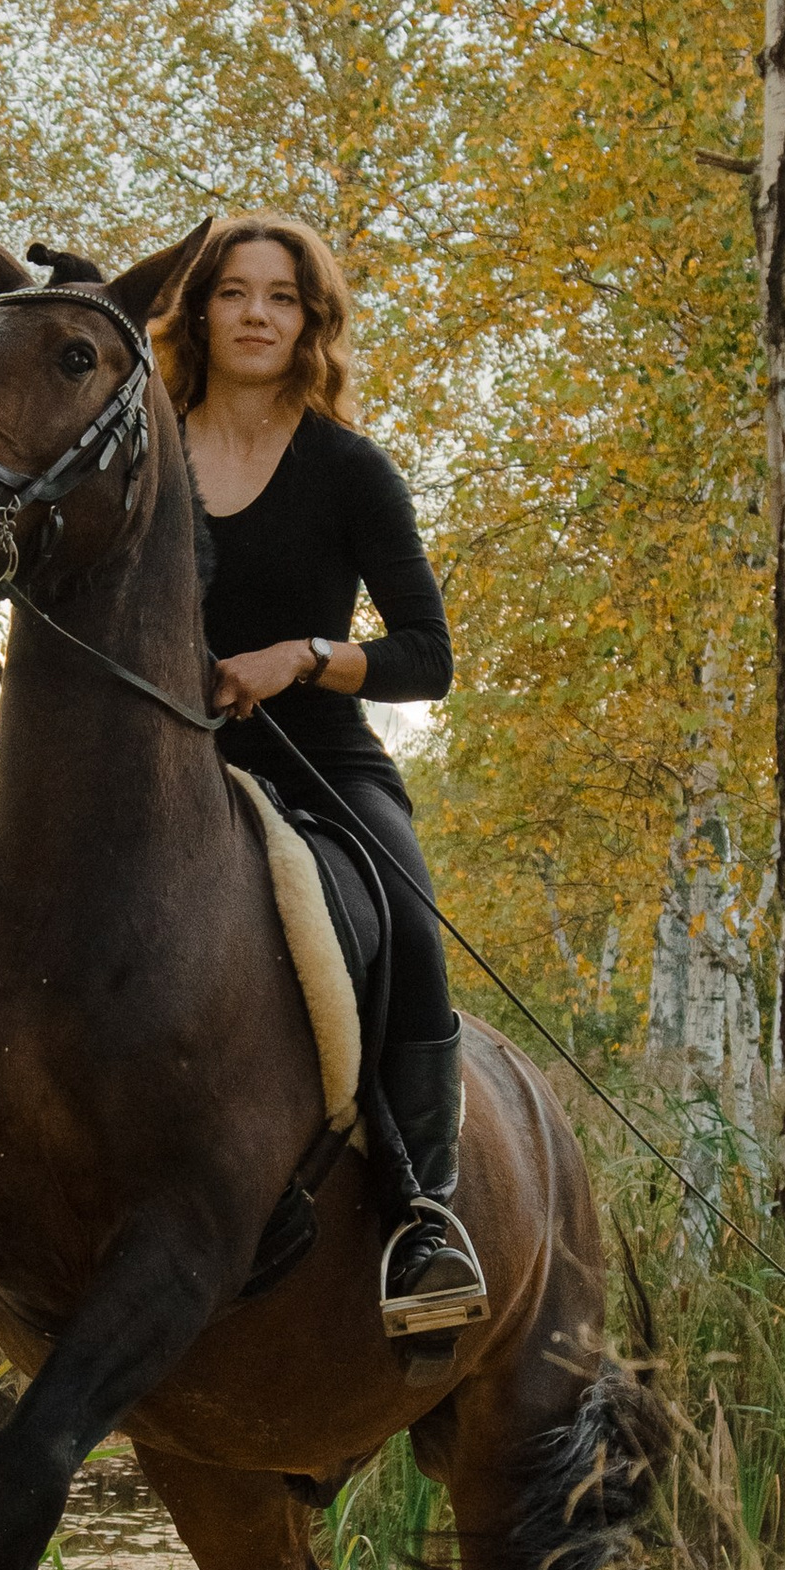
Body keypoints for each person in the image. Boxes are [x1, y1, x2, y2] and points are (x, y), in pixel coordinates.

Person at [155, 214, 488, 1342]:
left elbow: (428, 657)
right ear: (200, 311)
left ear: (311, 321)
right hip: (159, 763)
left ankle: (424, 1215)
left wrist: (300, 656)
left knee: (410, 918)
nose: (256, 314)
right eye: (234, 292)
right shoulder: (143, 451)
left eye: (281, 296)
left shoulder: (350, 470)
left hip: (319, 761)